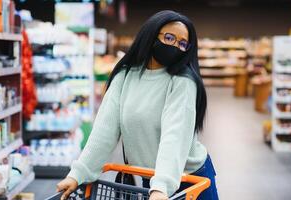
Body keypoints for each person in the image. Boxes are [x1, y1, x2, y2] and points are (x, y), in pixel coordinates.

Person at [57, 10, 219, 200]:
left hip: (189, 181)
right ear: (151, 36)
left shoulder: (183, 81)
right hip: (151, 179)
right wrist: (78, 174)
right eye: (169, 37)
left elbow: (174, 137)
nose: (175, 46)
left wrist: (161, 187)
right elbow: (104, 131)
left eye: (182, 43)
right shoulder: (125, 75)